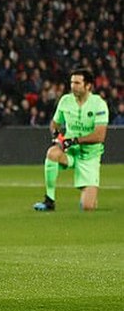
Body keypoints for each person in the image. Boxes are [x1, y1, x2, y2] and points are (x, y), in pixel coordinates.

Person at [33, 69, 109, 212]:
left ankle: (89, 196)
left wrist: (74, 140)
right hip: (70, 152)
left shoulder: (98, 104)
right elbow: (54, 124)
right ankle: (49, 200)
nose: (73, 86)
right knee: (52, 153)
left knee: (88, 207)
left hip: (89, 156)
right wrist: (57, 137)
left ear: (88, 86)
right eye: (72, 82)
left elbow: (99, 136)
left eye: (77, 83)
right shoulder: (65, 101)